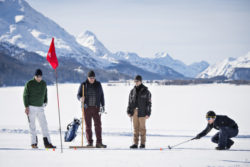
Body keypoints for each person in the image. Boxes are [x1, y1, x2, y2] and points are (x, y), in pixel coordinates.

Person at [23, 69, 56, 149]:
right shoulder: (29, 83)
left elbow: (45, 94)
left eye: (40, 76)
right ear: (35, 76)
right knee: (32, 126)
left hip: (40, 107)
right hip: (31, 107)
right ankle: (34, 143)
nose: (39, 78)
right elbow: (25, 95)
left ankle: (47, 143)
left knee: (44, 125)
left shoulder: (43, 83)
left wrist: (45, 101)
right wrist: (26, 106)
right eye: (38, 76)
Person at [77, 70, 107, 148]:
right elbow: (78, 94)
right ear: (88, 78)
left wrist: (103, 106)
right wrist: (80, 98)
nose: (92, 79)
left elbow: (101, 95)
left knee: (98, 125)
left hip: (96, 108)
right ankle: (90, 142)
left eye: (93, 78)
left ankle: (99, 142)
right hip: (86, 108)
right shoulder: (83, 84)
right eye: (90, 78)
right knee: (88, 126)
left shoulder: (98, 84)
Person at [127, 75, 152, 149]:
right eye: (135, 81)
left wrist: (148, 113)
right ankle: (135, 143)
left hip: (142, 112)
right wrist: (129, 111)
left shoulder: (146, 91)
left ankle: (142, 143)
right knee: (135, 128)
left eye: (137, 81)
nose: (136, 82)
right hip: (134, 111)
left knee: (142, 128)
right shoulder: (132, 91)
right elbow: (129, 102)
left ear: (141, 81)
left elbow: (149, 104)